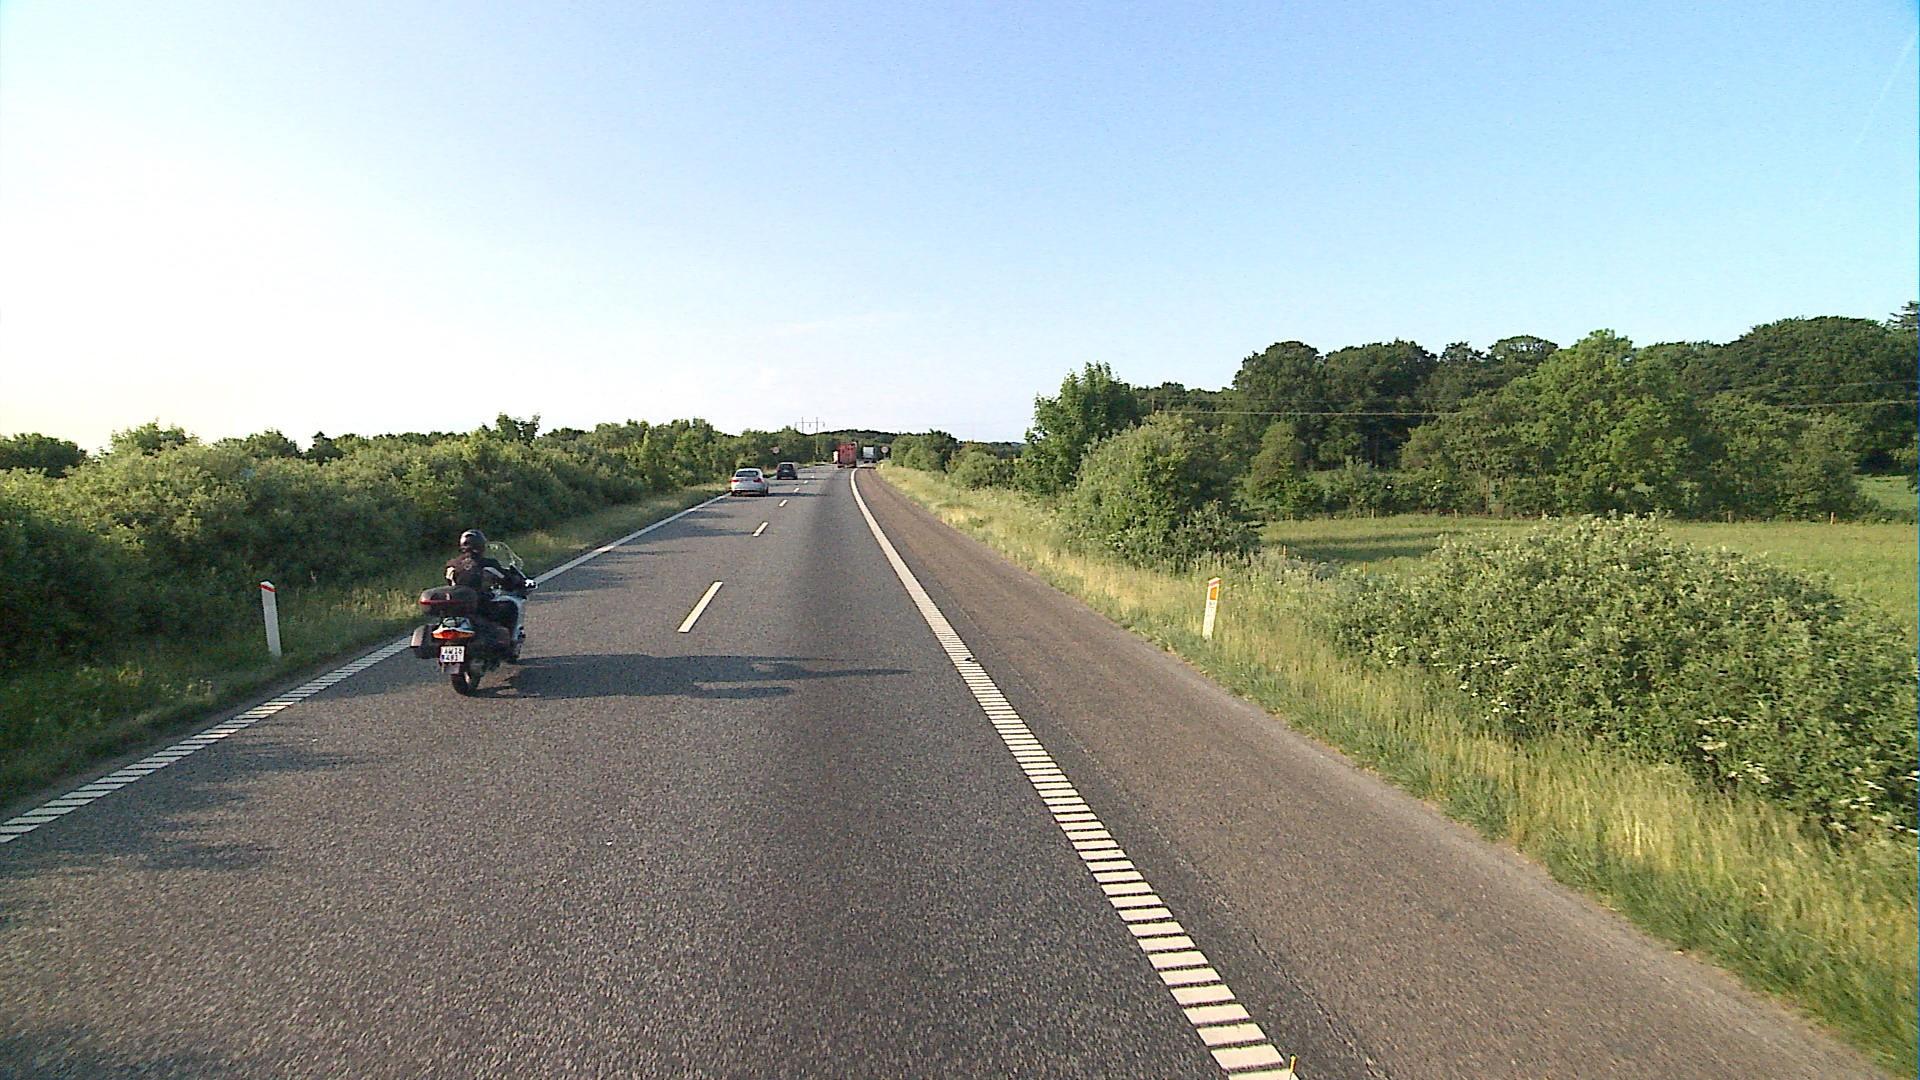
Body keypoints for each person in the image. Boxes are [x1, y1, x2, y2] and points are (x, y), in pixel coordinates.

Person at [445, 529, 530, 649]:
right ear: (481, 545)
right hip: (481, 605)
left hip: (457, 606)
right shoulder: (487, 564)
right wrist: (517, 581)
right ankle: (509, 645)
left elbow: (449, 582)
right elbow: (506, 579)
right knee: (511, 607)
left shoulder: (452, 565)